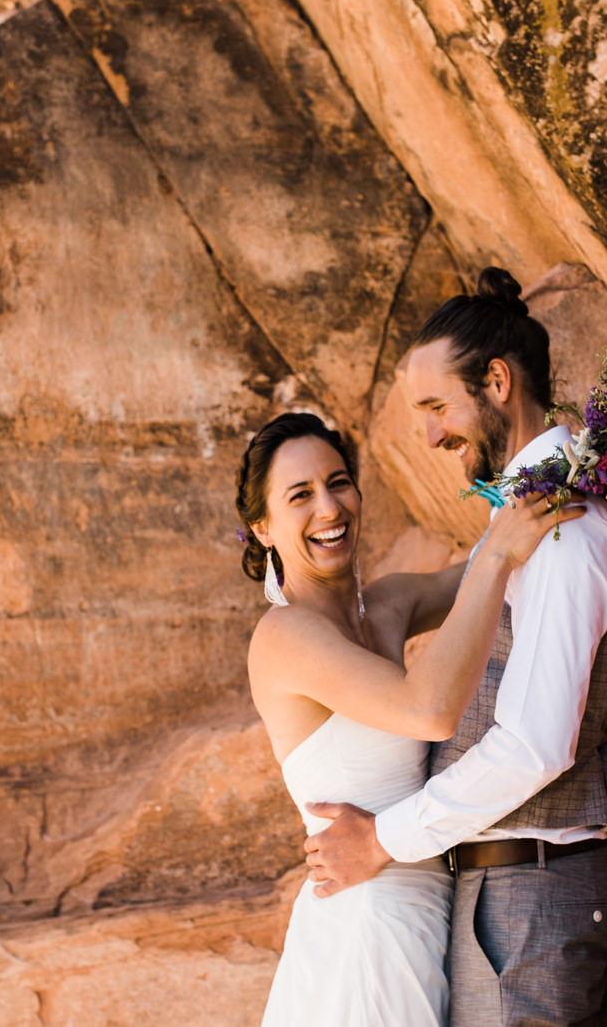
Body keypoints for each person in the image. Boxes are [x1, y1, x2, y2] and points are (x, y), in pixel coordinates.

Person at [304, 268, 607, 1027]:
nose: (429, 436)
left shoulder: (561, 524)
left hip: (532, 893)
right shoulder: (527, 516)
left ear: (497, 382)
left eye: (436, 407)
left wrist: (381, 842)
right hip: (509, 891)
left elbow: (534, 744)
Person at [243, 410, 582, 1027]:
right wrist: (499, 553)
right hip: (366, 923)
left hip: (430, 912)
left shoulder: (392, 601)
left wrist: (596, 463)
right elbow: (427, 709)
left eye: (338, 481)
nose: (329, 507)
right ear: (263, 528)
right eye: (300, 495)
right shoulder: (283, 635)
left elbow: (500, 556)